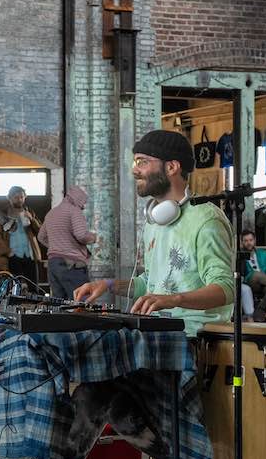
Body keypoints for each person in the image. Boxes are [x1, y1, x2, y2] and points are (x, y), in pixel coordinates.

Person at [76, 130, 234, 335]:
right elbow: (148, 285)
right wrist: (109, 284)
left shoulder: (206, 220)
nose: (134, 170)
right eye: (134, 162)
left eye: (142, 162)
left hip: (194, 334)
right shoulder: (154, 221)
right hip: (157, 329)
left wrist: (173, 300)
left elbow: (226, 289)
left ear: (171, 167)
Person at [38, 185, 96, 299]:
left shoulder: (52, 213)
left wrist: (57, 246)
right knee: (82, 304)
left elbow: (41, 237)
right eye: (83, 202)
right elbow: (81, 235)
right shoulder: (74, 211)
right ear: (78, 199)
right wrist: (94, 237)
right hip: (72, 265)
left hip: (53, 265)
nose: (83, 206)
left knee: (60, 306)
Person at [0, 185, 42, 287]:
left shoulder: (29, 211)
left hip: (30, 255)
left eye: (21, 197)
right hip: (11, 256)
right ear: (9, 198)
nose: (19, 200)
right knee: (13, 287)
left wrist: (32, 219)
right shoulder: (3, 214)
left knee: (34, 286)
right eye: (16, 197)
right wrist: (8, 252)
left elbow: (40, 232)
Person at [240, 229, 266, 297]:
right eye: (246, 241)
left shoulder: (263, 253)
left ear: (254, 240)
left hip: (264, 283)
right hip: (250, 283)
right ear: (242, 242)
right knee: (256, 274)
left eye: (251, 240)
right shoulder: (240, 255)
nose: (249, 243)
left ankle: (264, 307)